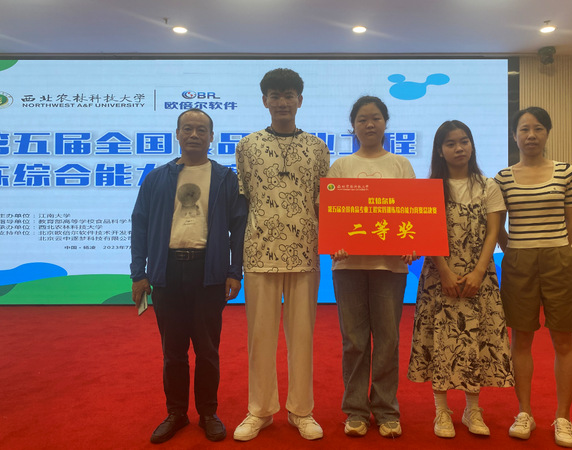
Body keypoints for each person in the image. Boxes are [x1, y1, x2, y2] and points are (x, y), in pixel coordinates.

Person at [130, 108, 247, 444]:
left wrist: (234, 271)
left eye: (201, 130)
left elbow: (238, 227)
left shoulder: (225, 178)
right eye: (187, 129)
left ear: (212, 137)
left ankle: (208, 413)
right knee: (173, 351)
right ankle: (176, 413)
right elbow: (140, 225)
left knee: (208, 350)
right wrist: (139, 273)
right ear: (177, 134)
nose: (194, 135)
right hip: (166, 273)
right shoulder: (157, 178)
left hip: (208, 273)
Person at [232, 68, 330, 441]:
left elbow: (325, 204)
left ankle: (301, 411)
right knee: (260, 338)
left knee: (301, 337)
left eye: (289, 95)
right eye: (275, 95)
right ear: (265, 101)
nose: (282, 102)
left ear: (300, 100)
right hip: (259, 252)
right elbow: (242, 203)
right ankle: (259, 410)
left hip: (305, 253)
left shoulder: (318, 147)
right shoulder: (247, 146)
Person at [408, 120, 514, 439]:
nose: (459, 148)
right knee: (440, 339)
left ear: (472, 145)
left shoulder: (488, 185)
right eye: (451, 143)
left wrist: (479, 271)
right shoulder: (430, 188)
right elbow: (427, 232)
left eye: (464, 141)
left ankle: (472, 409)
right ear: (440, 150)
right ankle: (441, 410)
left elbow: (494, 232)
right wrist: (444, 271)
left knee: (476, 339)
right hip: (439, 276)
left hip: (479, 276)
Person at [495, 107, 572, 448]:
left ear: (547, 133)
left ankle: (563, 417)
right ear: (514, 136)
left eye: (537, 129)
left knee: (564, 341)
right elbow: (497, 224)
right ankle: (524, 412)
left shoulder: (566, 172)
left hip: (558, 258)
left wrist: (556, 248)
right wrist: (515, 250)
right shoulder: (503, 178)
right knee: (521, 340)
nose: (530, 135)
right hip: (518, 260)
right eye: (524, 129)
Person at [328, 95, 417, 439]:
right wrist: (334, 239)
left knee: (388, 339)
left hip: (390, 267)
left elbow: (412, 213)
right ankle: (355, 410)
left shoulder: (400, 165)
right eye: (362, 119)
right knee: (354, 340)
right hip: (347, 265)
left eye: (376, 118)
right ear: (353, 125)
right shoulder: (341, 167)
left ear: (385, 123)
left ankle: (386, 409)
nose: (369, 124)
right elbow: (331, 214)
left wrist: (411, 243)